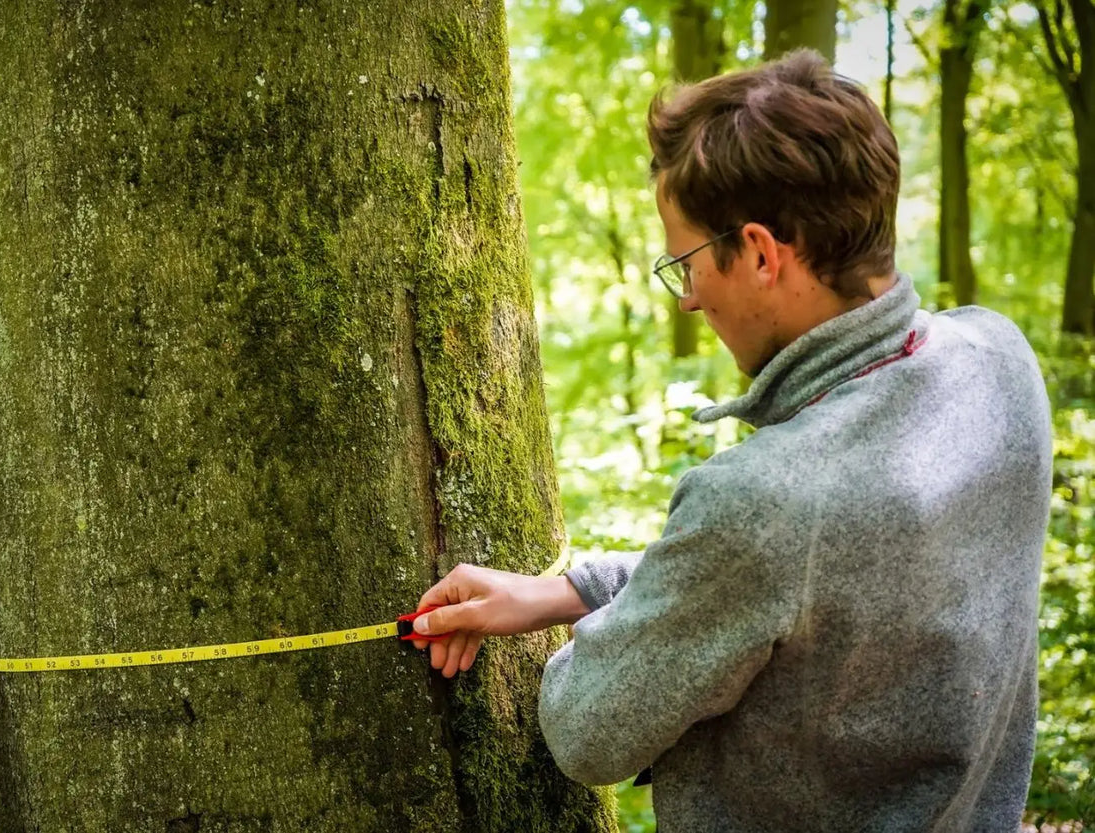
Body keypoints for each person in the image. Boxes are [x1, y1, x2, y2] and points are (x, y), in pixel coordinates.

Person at [408, 49, 1053, 832]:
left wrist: (618, 641)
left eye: (685, 262)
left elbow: (585, 728)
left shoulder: (769, 499)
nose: (686, 299)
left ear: (759, 253)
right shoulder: (997, 357)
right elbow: (807, 579)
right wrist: (568, 590)